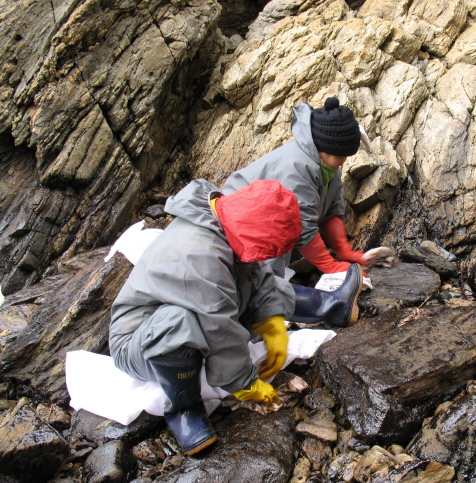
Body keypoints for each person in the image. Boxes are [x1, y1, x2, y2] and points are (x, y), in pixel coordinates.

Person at [109, 178, 364, 456]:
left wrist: (272, 324)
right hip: (140, 344)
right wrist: (245, 384)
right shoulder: (198, 258)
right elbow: (220, 331)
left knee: (257, 277)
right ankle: (185, 410)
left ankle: (333, 307)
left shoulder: (225, 215)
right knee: (176, 323)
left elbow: (259, 275)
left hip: (194, 310)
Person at [223, 97, 393, 325]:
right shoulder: (297, 167)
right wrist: (331, 268)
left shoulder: (326, 164)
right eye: (341, 156)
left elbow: (331, 211)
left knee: (276, 263)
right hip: (239, 228)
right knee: (262, 282)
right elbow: (302, 225)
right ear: (324, 148)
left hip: (270, 226)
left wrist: (345, 252)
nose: (343, 163)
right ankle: (263, 316)